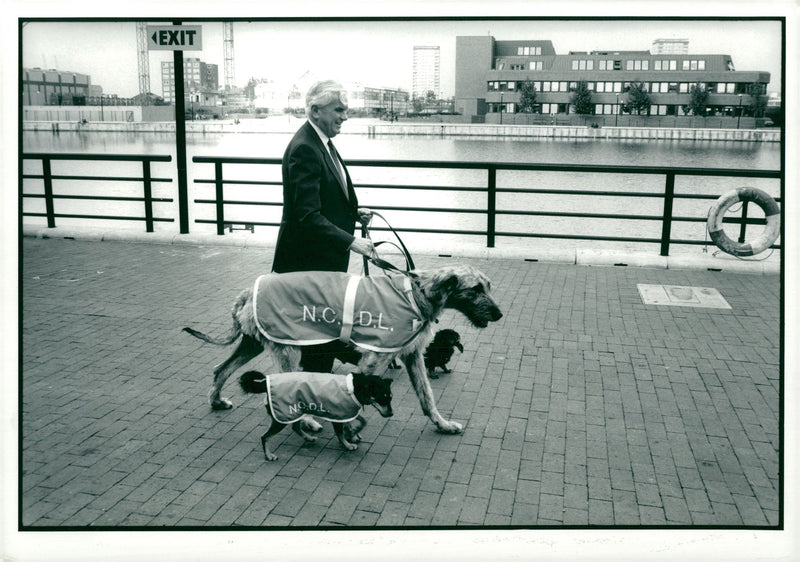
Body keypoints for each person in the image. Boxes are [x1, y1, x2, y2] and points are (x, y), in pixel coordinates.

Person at [272, 80, 374, 372]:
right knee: (316, 339)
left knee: (321, 336)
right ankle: (311, 399)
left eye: (346, 110)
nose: (344, 116)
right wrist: (351, 241)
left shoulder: (321, 142)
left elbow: (327, 197)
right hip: (308, 265)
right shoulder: (305, 148)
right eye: (338, 110)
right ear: (316, 111)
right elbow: (306, 215)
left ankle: (315, 396)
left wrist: (354, 213)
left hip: (321, 263)